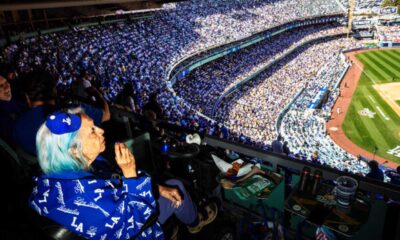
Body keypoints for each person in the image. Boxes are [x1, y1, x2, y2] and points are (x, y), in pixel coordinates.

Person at [30, 109, 217, 239]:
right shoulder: (85, 196)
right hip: (137, 230)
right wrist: (131, 174)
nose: (102, 130)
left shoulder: (64, 172)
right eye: (92, 131)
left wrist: (158, 188)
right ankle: (195, 223)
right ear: (73, 150)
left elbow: (113, 182)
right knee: (177, 186)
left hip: (120, 212)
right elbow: (131, 225)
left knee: (168, 186)